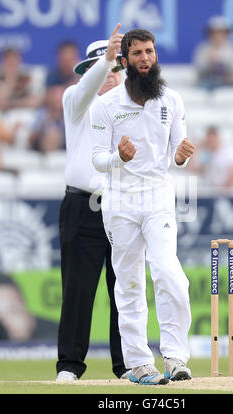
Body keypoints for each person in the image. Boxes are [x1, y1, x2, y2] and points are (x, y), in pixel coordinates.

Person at [91, 28, 195, 385]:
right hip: (120, 200)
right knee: (130, 283)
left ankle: (176, 356)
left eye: (150, 52)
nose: (146, 59)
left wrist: (181, 157)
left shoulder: (171, 100)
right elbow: (97, 160)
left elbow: (178, 149)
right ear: (124, 61)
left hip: (158, 197)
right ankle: (138, 363)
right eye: (137, 54)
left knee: (168, 273)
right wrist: (118, 157)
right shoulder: (106, 105)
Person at [56, 24, 130, 382]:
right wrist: (108, 60)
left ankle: (127, 364)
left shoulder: (131, 110)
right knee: (77, 291)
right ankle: (70, 365)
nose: (109, 75)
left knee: (126, 288)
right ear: (87, 71)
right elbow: (87, 91)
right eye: (102, 68)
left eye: (117, 69)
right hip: (82, 206)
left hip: (122, 206)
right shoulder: (75, 101)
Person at [188, 126, 233, 191]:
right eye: (209, 139)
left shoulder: (230, 149)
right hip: (219, 190)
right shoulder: (207, 154)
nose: (211, 141)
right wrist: (195, 148)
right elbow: (193, 170)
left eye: (213, 138)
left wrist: (224, 189)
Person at [193, 16, 233, 89]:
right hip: (207, 88)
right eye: (214, 32)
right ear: (209, 33)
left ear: (227, 33)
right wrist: (210, 62)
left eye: (221, 32)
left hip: (230, 89)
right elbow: (199, 72)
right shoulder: (203, 49)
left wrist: (225, 70)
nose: (218, 35)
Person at [29, 85, 66, 153]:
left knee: (54, 134)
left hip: (63, 147)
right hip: (41, 146)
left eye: (60, 97)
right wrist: (45, 122)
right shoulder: (42, 114)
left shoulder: (67, 116)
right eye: (55, 97)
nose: (57, 100)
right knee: (52, 133)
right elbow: (31, 138)